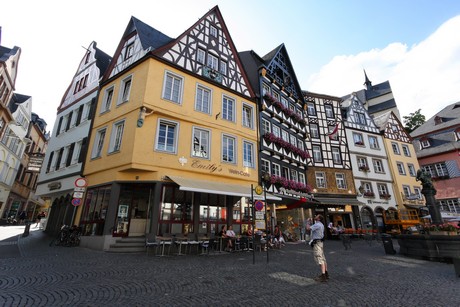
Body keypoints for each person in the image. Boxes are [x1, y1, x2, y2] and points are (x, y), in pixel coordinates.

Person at [306, 214, 329, 282]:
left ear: (318, 219)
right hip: (320, 242)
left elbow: (308, 228)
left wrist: (307, 222)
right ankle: (326, 273)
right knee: (323, 258)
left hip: (317, 243)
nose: (315, 216)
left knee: (319, 258)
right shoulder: (320, 224)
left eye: (317, 216)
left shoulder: (317, 224)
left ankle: (323, 276)